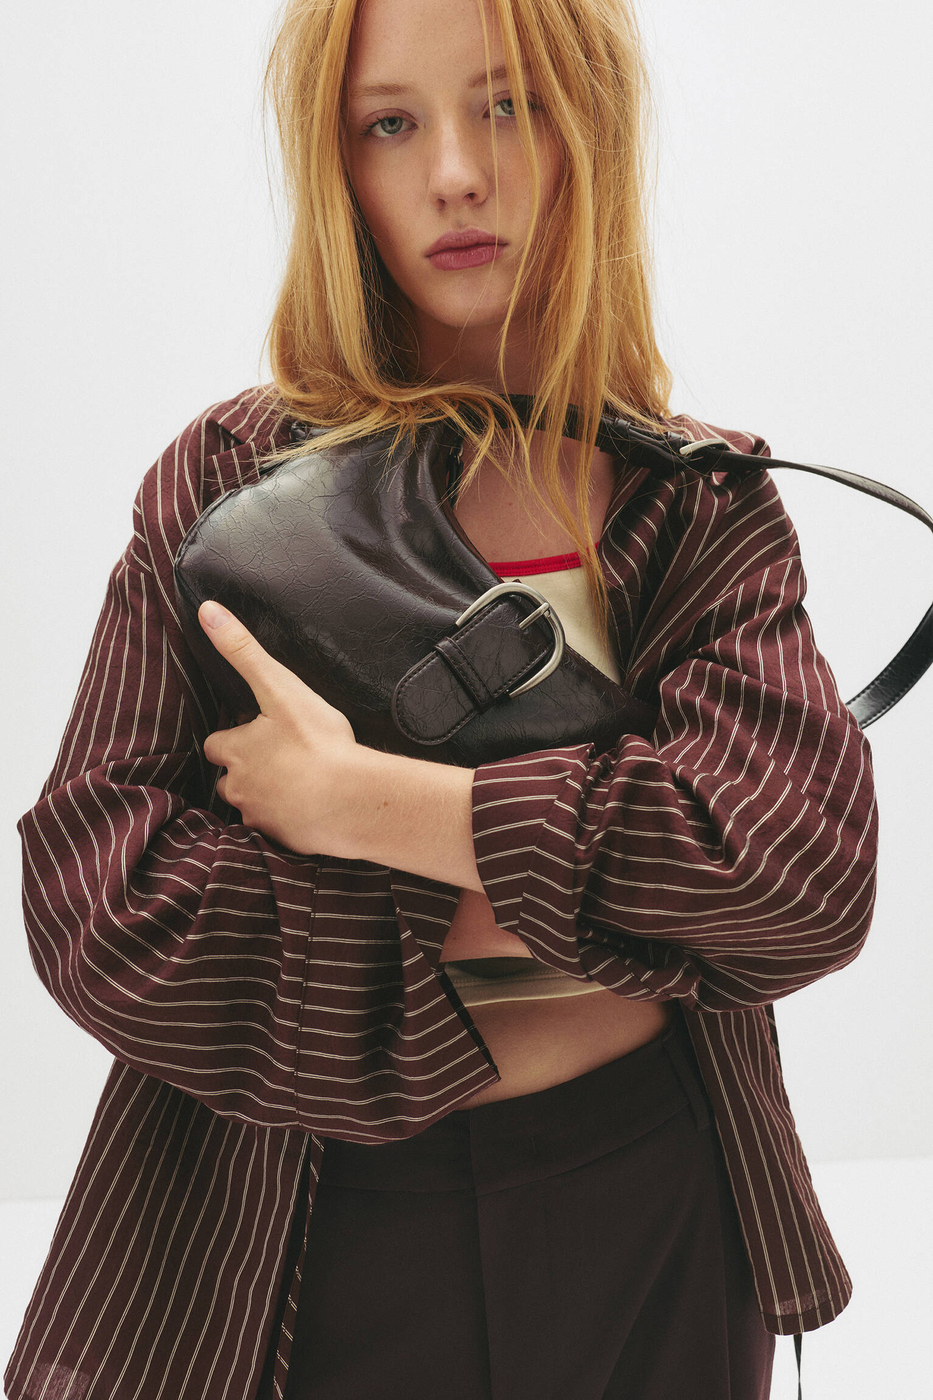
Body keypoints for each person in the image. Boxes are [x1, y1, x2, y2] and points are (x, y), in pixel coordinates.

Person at [7, 1, 877, 1398]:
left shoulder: (693, 496)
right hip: (312, 1214)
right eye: (390, 124)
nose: (455, 174)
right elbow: (98, 899)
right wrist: (600, 890)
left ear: (587, 125)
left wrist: (365, 806)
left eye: (507, 104)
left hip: (655, 1192)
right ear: (334, 162)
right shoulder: (228, 486)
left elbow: (796, 878)